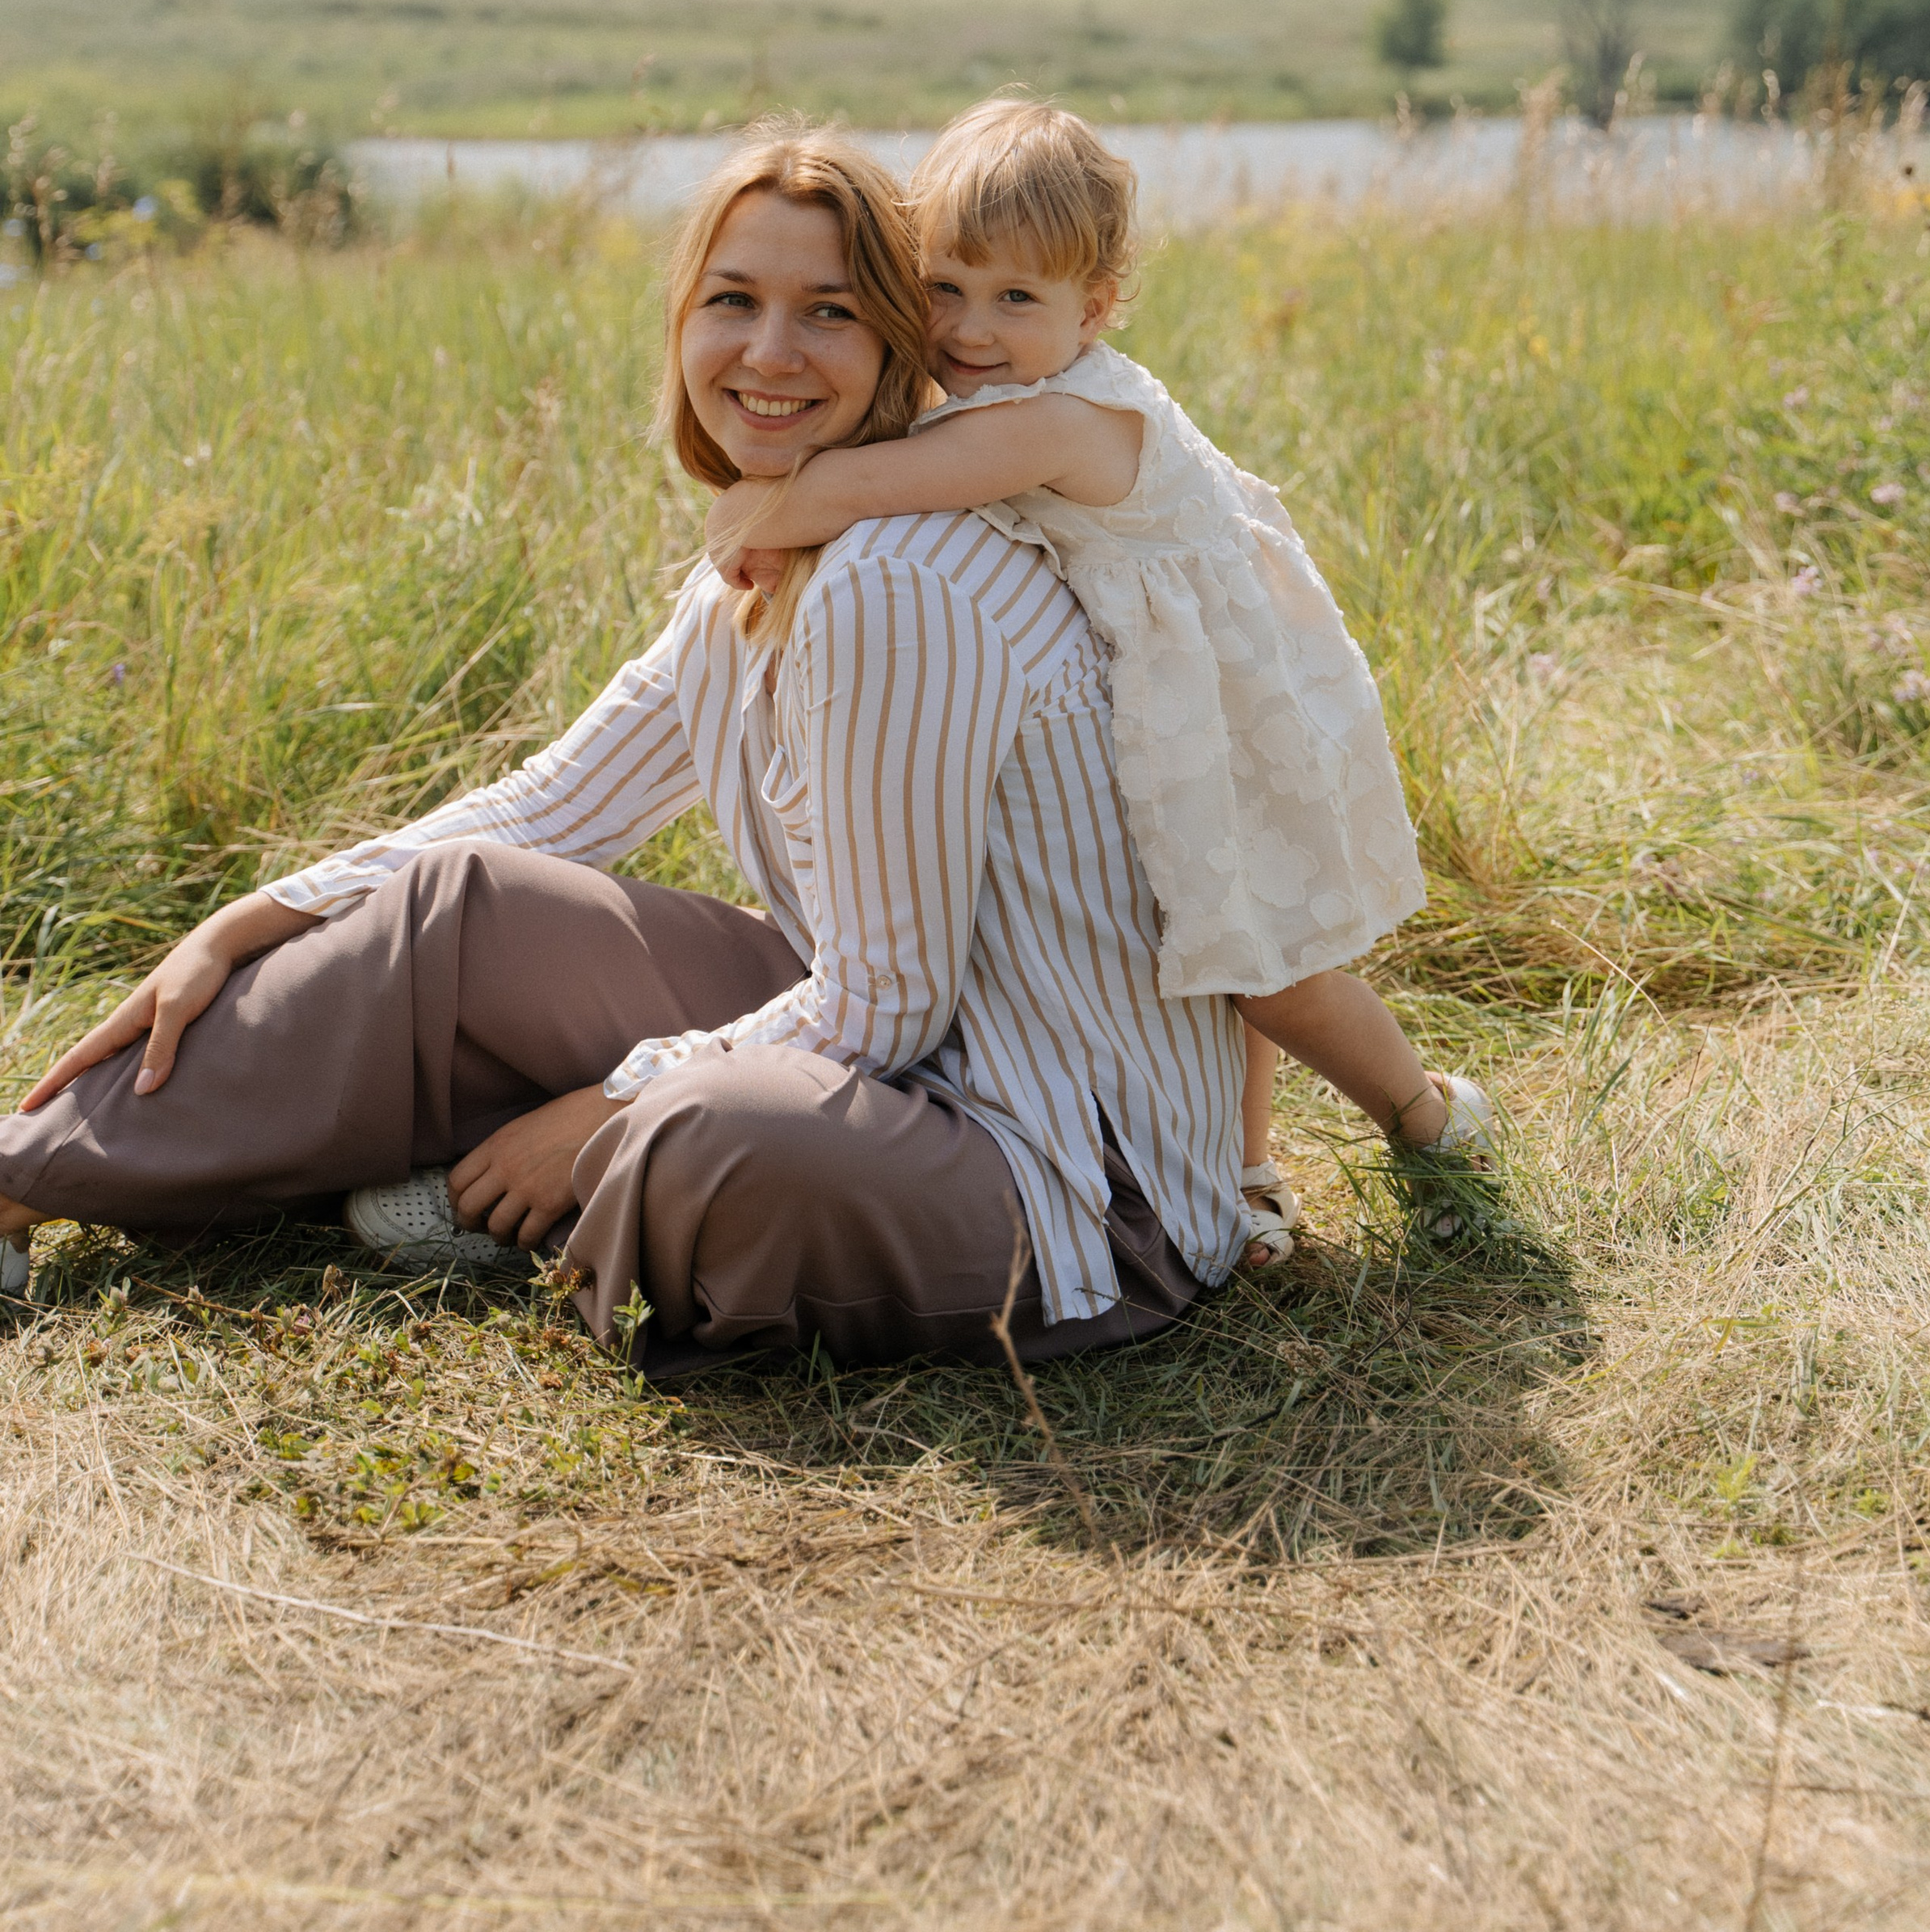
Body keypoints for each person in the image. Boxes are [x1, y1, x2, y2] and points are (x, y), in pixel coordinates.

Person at [0, 129, 1249, 1374]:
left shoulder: (901, 580)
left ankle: (549, 1175)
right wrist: (253, 914)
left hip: (1064, 1172)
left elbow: (889, 1001)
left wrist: (609, 1102)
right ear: (683, 322)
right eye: (733, 302)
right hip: (903, 1056)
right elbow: (552, 807)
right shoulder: (763, 566)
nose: (769, 354)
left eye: (828, 311)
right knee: (461, 908)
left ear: (897, 344)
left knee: (704, 1133)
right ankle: (22, 1178)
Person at [706, 97, 1494, 1267]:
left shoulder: (1065, 417)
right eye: (945, 289)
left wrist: (755, 512)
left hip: (1217, 714)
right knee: (1207, 958)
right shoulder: (1006, 386)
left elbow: (881, 482)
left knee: (1267, 974)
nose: (972, 331)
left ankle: (1427, 1121)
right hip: (1152, 700)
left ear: (1098, 307)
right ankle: (1243, 1169)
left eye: (1016, 299)